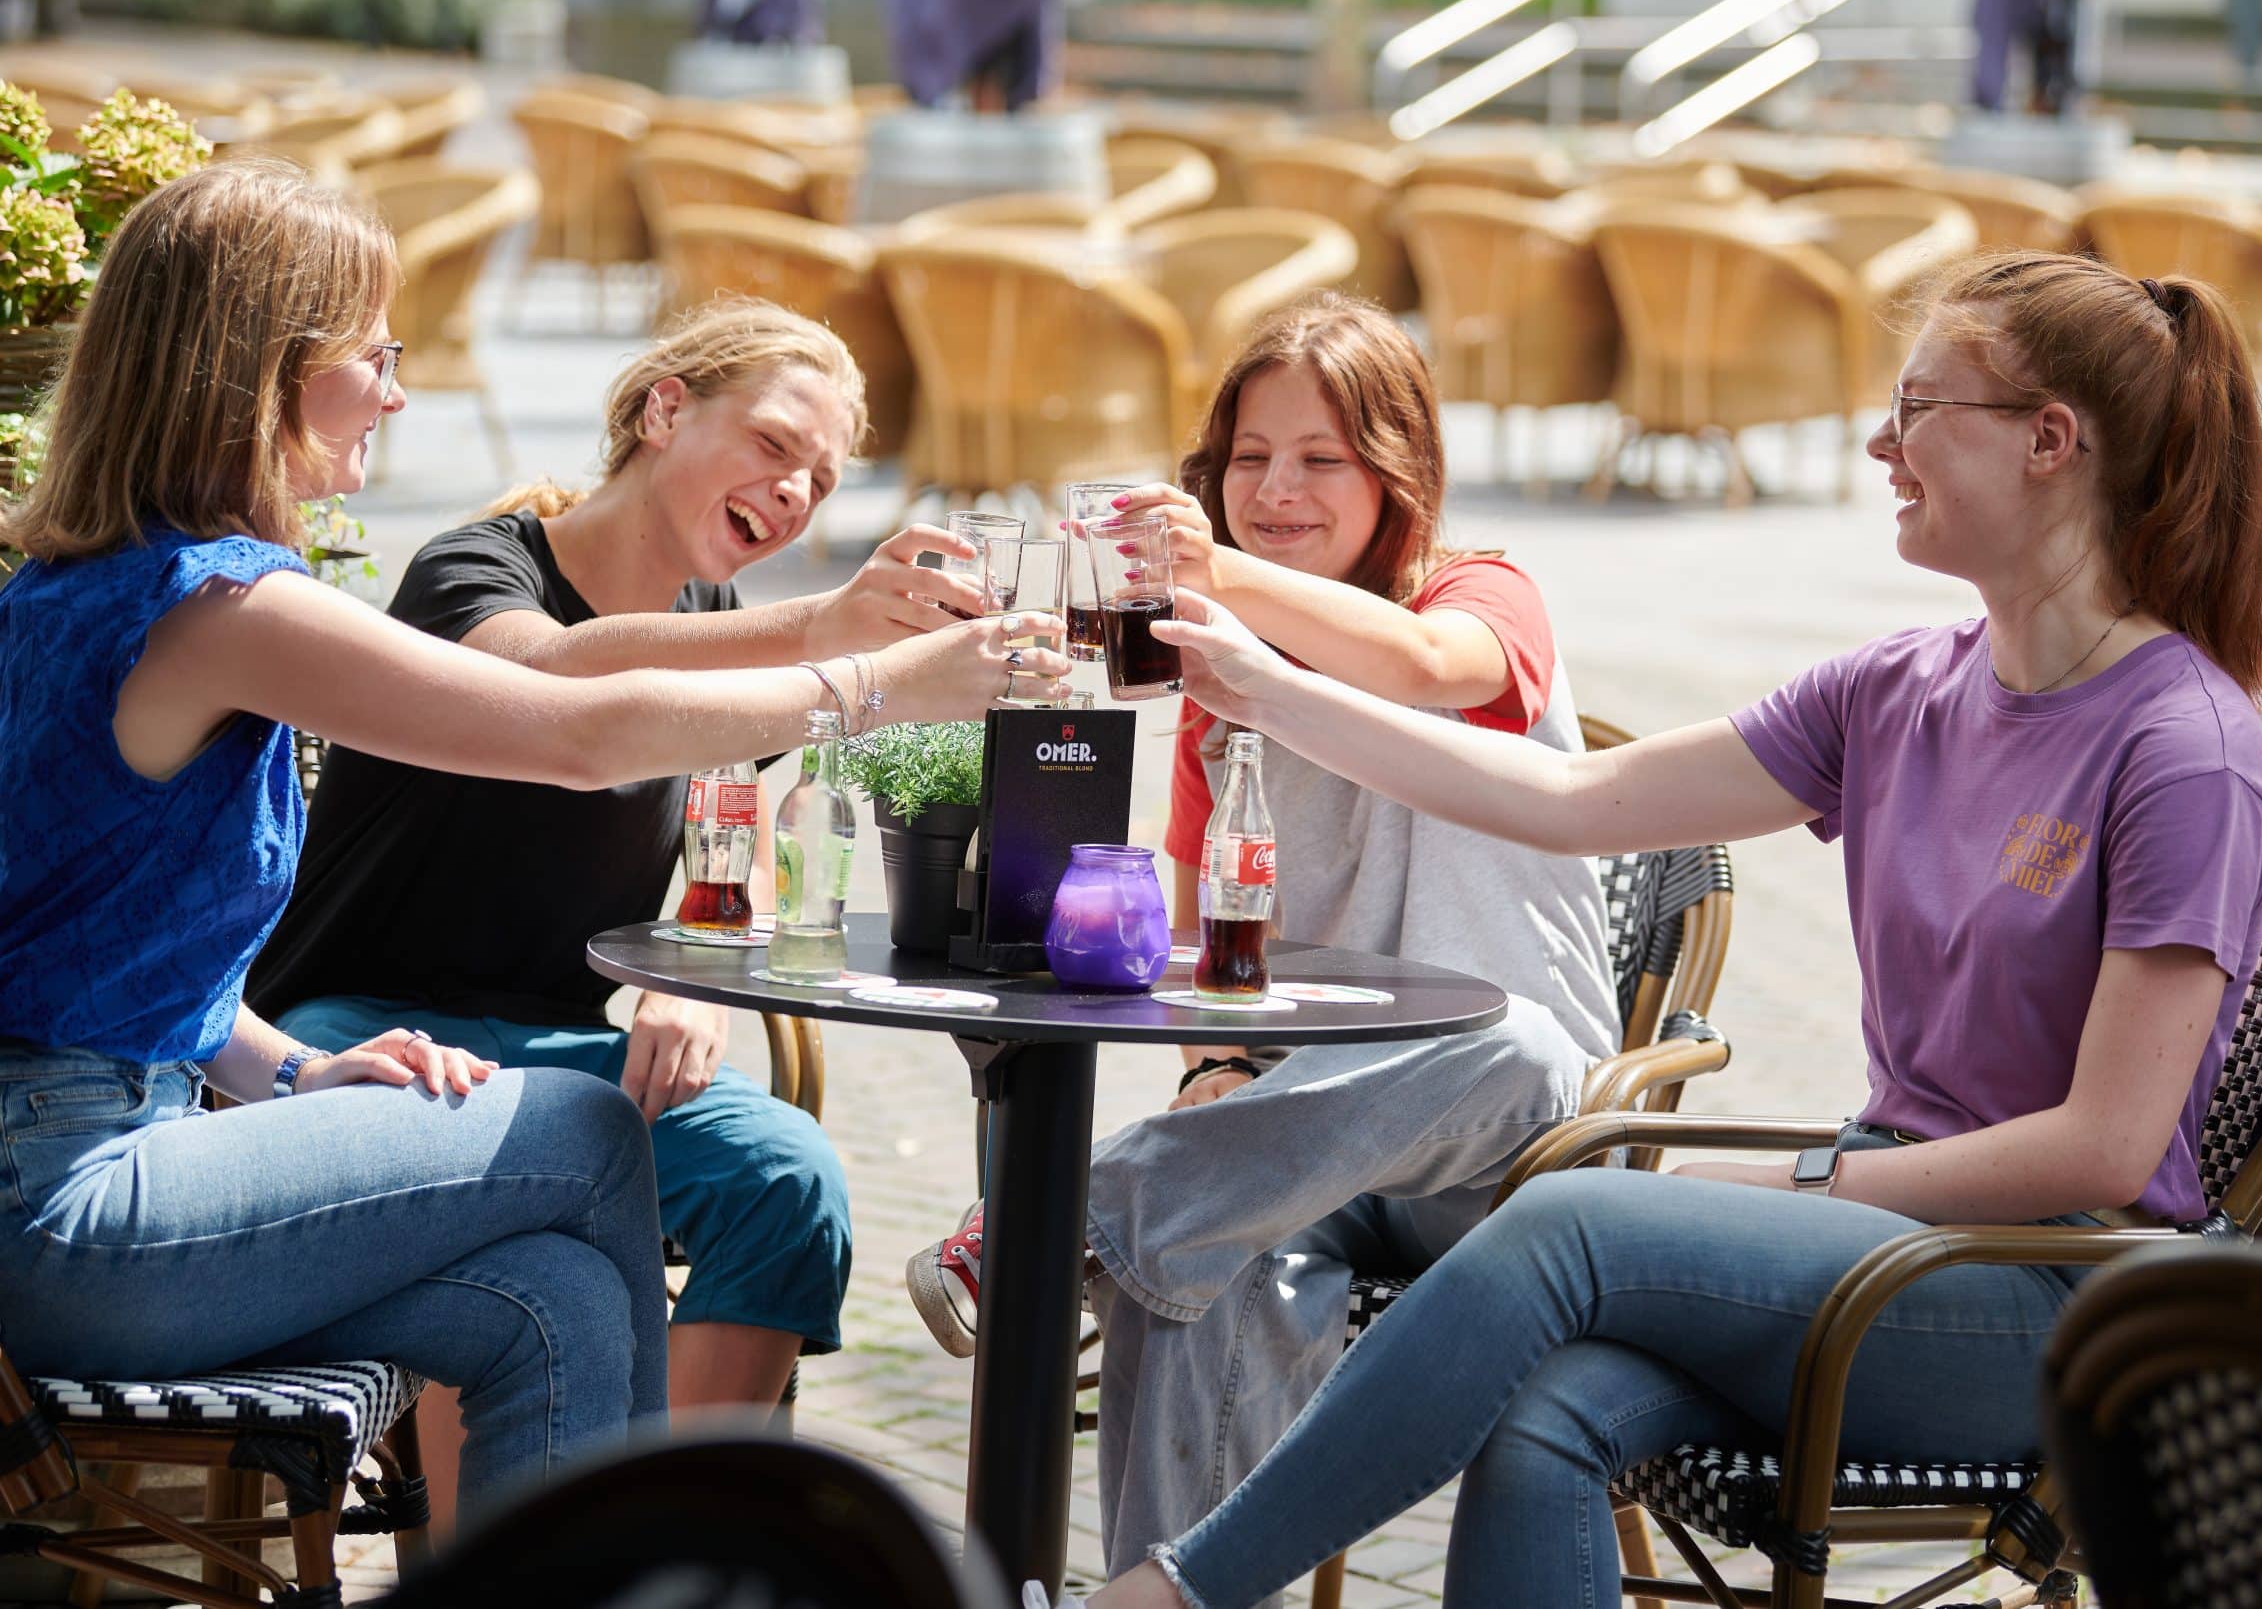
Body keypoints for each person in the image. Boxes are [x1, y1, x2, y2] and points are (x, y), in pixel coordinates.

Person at [1055, 251, 2262, 1607]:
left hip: (2058, 1293)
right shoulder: (1899, 687)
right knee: (1549, 1409)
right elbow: (1575, 795)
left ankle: (1170, 1594)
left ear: (2051, 443)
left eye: (1920, 405)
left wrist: (1801, 1185)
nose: (1881, 441)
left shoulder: (2186, 748)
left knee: (1576, 1219)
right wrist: (1256, 685)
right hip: (1885, 1243)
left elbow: (2107, 1143)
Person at [0, 159, 1069, 1518]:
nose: (398, 390)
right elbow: (576, 727)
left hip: (99, 1163)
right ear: (263, 364)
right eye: (374, 353)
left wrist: (300, 1073)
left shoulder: (94, 579)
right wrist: (876, 682)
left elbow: (103, 943)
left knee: (552, 1296)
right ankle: (648, 1563)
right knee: (584, 1127)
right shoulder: (221, 604)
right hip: (71, 1214)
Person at [906, 296, 1618, 1592]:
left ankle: (1063, 1213)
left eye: (1319, 457)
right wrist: (1209, 1070)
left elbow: (1428, 665)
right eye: (1248, 459)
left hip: (1510, 1146)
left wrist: (1215, 572)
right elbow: (1204, 955)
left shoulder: (1482, 590)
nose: (1276, 488)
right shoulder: (1218, 695)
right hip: (1306, 1142)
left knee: (1499, 1038)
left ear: (1395, 472)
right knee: (1203, 1257)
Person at [250, 300, 986, 1441]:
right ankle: (506, 1556)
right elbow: (555, 682)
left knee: (787, 1180)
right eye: (774, 446)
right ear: (663, 409)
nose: (795, 492)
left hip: (555, 1045)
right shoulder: (475, 570)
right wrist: (826, 633)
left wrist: (687, 981)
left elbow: (721, 859)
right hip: (353, 1026)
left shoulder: (717, 617)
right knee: (529, 1208)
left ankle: (642, 1533)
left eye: (823, 481)